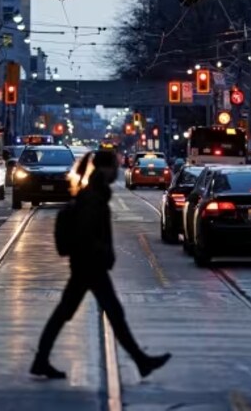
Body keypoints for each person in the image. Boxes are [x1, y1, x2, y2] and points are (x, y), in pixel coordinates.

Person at [31, 150, 170, 380]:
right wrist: (102, 252)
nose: (117, 170)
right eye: (114, 165)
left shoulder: (95, 192)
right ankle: (141, 360)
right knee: (110, 313)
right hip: (90, 266)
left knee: (73, 313)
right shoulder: (93, 196)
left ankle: (140, 361)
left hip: (87, 265)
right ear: (105, 168)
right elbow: (88, 232)